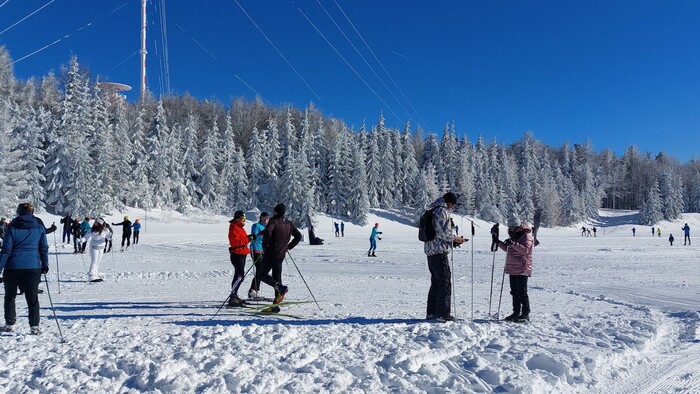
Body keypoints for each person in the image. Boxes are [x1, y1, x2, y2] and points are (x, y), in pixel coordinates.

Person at [0, 203, 49, 335]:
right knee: (32, 297)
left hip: (13, 267)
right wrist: (45, 264)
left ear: (19, 213)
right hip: (33, 267)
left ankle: (9, 323)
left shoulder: (12, 228)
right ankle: (34, 326)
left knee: (10, 296)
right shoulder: (39, 227)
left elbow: (5, 250)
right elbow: (43, 248)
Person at [423, 192, 466, 323]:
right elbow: (442, 232)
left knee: (436, 282)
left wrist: (452, 242)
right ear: (449, 202)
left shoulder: (433, 209)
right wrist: (455, 238)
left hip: (431, 251)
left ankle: (432, 312)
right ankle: (443, 314)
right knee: (444, 282)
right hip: (438, 252)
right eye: (453, 204)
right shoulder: (441, 211)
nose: (452, 207)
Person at [257, 203, 301, 305]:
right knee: (277, 276)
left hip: (271, 252)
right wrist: (289, 246)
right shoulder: (289, 223)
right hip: (281, 254)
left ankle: (280, 288)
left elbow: (268, 232)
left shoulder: (273, 221)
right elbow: (298, 236)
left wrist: (264, 246)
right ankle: (277, 300)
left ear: (276, 212)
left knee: (261, 274)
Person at [498, 215, 534, 322]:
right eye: (509, 227)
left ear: (517, 226)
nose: (510, 229)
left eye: (512, 227)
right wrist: (498, 242)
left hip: (522, 267)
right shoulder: (513, 235)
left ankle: (525, 313)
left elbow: (525, 251)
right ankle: (516, 312)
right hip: (513, 266)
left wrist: (513, 244)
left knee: (522, 291)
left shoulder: (526, 235)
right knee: (514, 291)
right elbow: (508, 249)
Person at [227, 211, 254, 306]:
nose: (244, 221)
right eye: (243, 219)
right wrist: (248, 239)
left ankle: (234, 295)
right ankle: (233, 296)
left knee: (239, 275)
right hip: (237, 254)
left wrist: (249, 238)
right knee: (240, 276)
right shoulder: (234, 227)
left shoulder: (239, 227)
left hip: (242, 253)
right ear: (238, 218)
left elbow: (243, 240)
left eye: (244, 219)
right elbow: (236, 242)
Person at [247, 212, 268, 300]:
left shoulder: (267, 227)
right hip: (256, 249)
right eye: (264, 217)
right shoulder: (256, 226)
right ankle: (252, 290)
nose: (266, 219)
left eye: (267, 218)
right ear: (261, 218)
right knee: (260, 269)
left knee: (262, 270)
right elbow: (254, 235)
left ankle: (256, 289)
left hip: (263, 251)